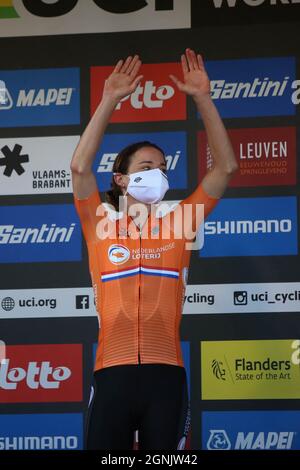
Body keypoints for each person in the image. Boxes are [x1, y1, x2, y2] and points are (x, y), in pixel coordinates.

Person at [71, 49, 237, 450]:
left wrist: (202, 99)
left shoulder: (179, 223)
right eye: (146, 167)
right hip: (111, 374)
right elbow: (79, 168)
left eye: (163, 168)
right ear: (122, 180)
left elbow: (225, 169)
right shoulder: (100, 224)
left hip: (166, 376)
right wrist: (109, 98)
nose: (157, 174)